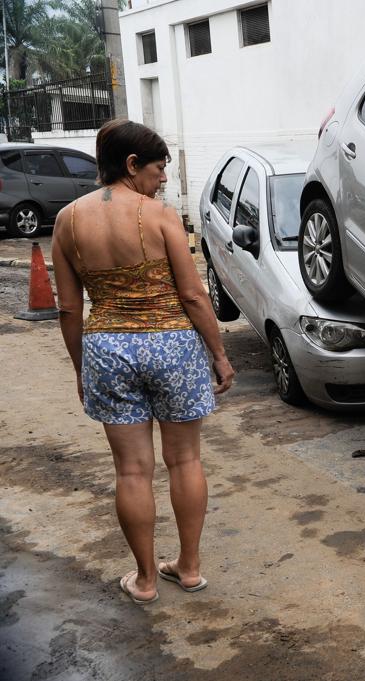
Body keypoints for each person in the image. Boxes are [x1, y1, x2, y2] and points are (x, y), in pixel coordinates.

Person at [51, 119, 235, 604]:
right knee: (185, 459)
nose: (164, 179)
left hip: (108, 349)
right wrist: (219, 354)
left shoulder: (67, 220)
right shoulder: (160, 216)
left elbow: (69, 309)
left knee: (132, 471)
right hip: (173, 346)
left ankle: (147, 580)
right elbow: (193, 295)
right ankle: (189, 569)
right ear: (132, 165)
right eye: (158, 169)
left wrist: (82, 369)